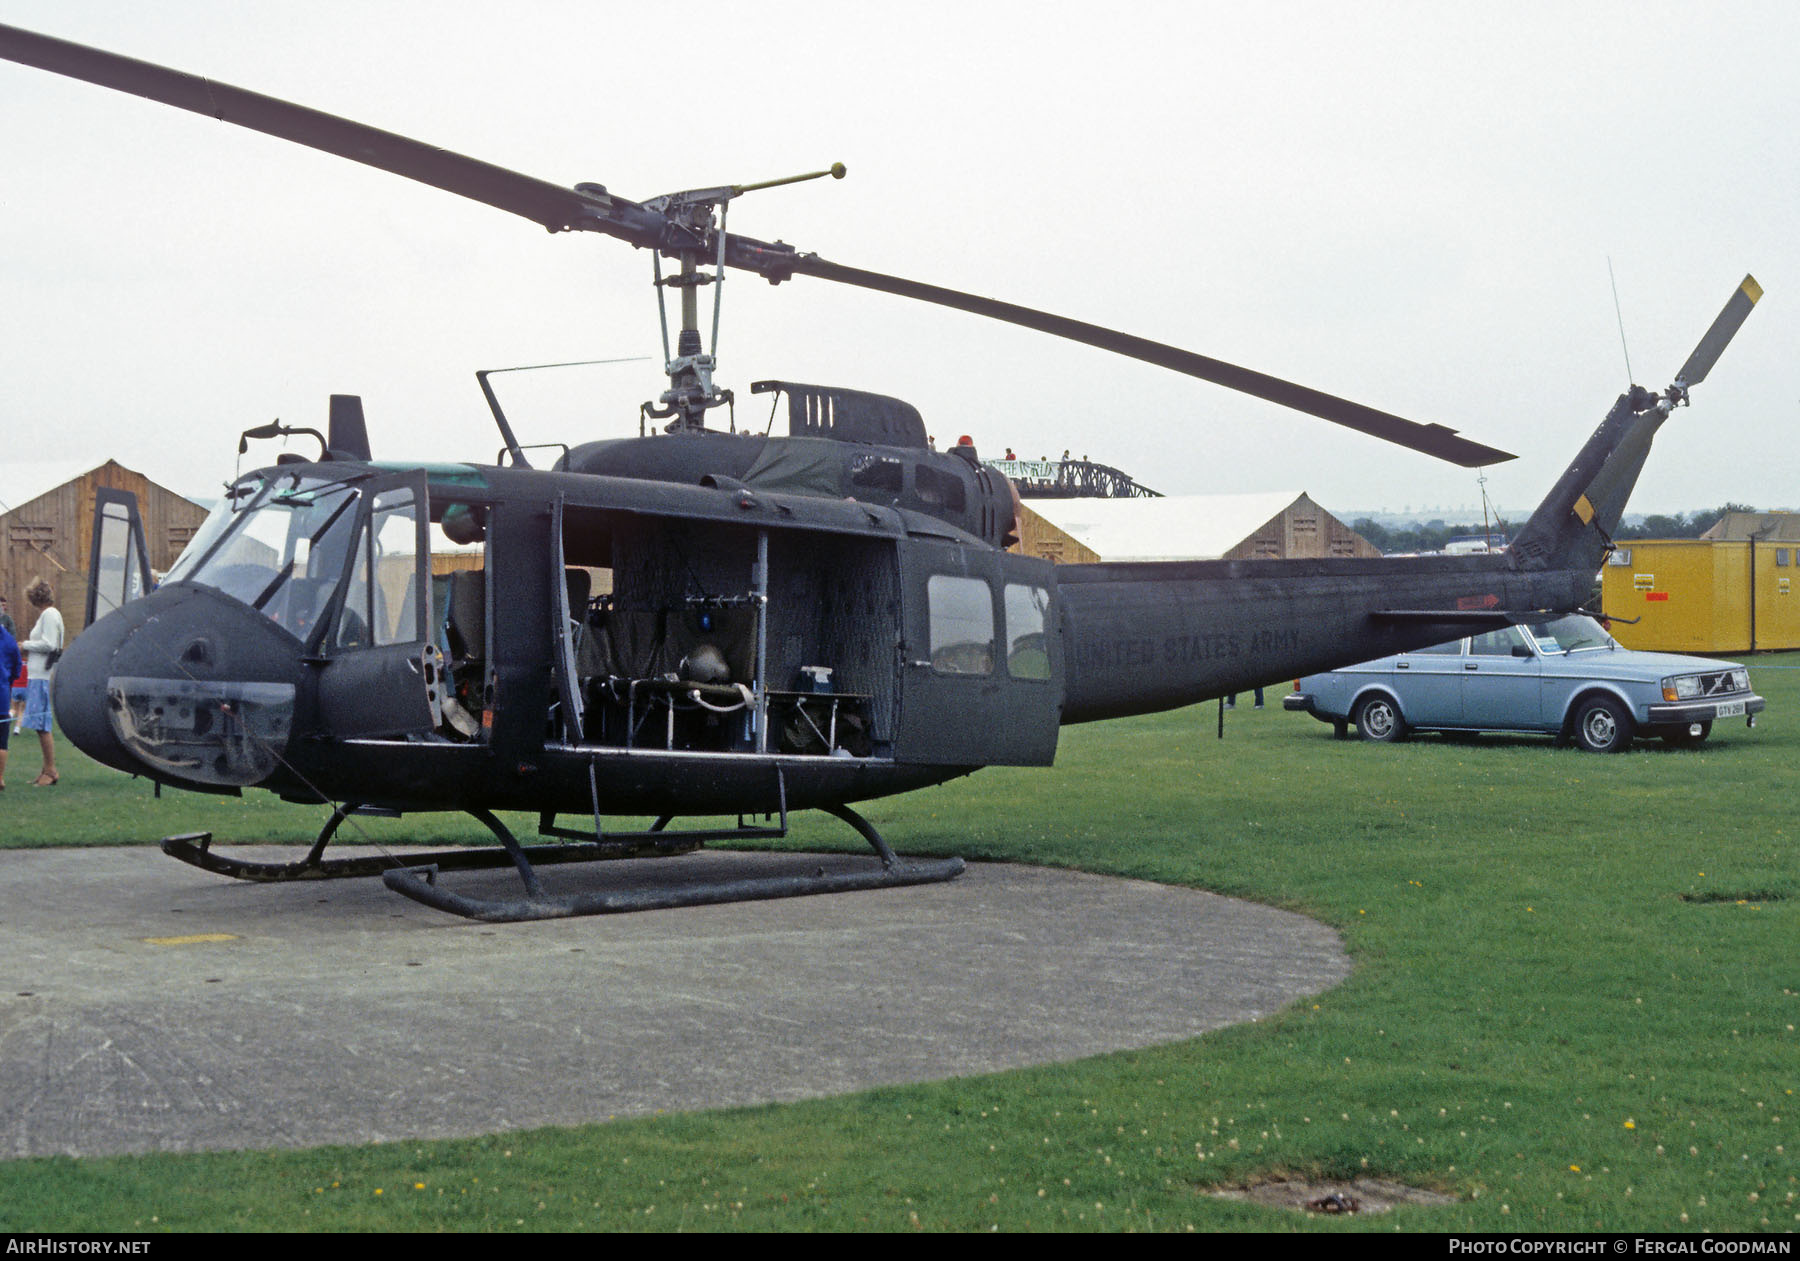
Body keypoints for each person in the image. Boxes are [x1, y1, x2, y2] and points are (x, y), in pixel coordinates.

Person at [18, 578, 63, 787]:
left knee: (42, 724)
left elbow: (49, 644)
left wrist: (24, 644)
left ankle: (51, 770)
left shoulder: (49, 615)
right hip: (38, 675)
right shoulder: (50, 615)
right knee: (39, 724)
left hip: (42, 676)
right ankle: (45, 769)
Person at [0, 618, 19, 790]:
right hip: (2, 696)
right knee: (2, 741)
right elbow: (16, 669)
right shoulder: (9, 641)